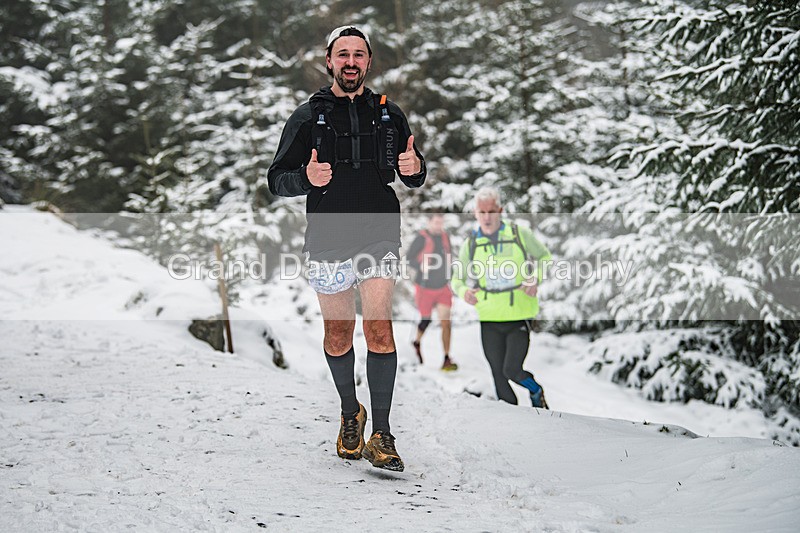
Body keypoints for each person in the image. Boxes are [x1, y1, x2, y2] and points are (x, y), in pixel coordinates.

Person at [267, 25, 426, 472]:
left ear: (369, 62)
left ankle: (383, 434)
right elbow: (277, 179)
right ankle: (350, 412)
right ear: (329, 61)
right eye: (343, 54)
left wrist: (415, 170)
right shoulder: (307, 116)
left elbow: (411, 170)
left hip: (378, 231)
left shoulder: (389, 114)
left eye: (359, 54)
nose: (351, 61)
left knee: (379, 330)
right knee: (339, 335)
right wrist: (306, 179)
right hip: (329, 236)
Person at [451, 187, 552, 408]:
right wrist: (464, 291)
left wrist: (535, 278)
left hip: (519, 314)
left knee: (512, 370)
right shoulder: (472, 243)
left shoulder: (518, 234)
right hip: (489, 316)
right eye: (482, 212)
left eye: (492, 211)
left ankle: (536, 391)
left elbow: (545, 257)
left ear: (500, 210)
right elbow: (457, 278)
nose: (487, 217)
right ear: (476, 213)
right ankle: (511, 420)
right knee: (498, 374)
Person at [405, 213, 457, 371]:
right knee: (425, 320)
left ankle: (446, 358)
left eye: (441, 223)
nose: (438, 226)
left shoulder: (445, 237)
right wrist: (420, 265)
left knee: (446, 323)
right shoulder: (421, 238)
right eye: (435, 222)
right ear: (429, 222)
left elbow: (449, 256)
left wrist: (451, 272)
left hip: (442, 287)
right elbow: (409, 258)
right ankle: (417, 343)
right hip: (424, 287)